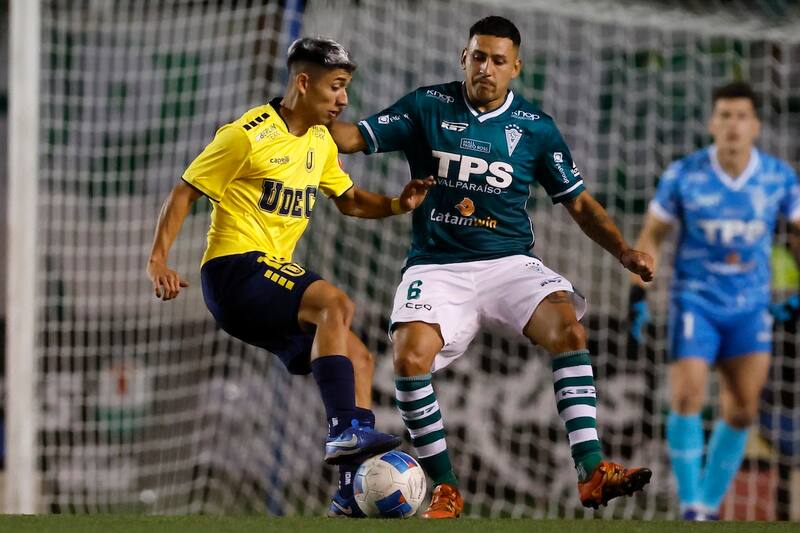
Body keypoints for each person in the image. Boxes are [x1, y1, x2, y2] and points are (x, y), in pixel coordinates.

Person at [330, 16, 654, 518]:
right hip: (438, 265)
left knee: (568, 328)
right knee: (409, 358)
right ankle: (445, 488)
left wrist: (624, 252)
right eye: (478, 57)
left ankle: (591, 470)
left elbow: (581, 204)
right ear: (464, 57)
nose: (486, 68)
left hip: (509, 263)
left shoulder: (536, 129)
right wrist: (305, 117)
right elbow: (352, 139)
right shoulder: (425, 106)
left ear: (515, 68)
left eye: (498, 60)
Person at [146, 37, 434, 517]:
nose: (343, 100)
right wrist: (158, 260)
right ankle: (344, 429)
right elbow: (183, 194)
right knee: (335, 304)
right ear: (303, 83)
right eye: (336, 88)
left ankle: (348, 492)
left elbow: (347, 200)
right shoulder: (245, 135)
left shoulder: (320, 142)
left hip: (266, 280)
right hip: (233, 270)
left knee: (359, 359)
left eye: (346, 89)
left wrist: (396, 205)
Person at [629, 81, 800, 520]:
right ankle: (693, 508)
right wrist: (637, 291)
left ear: (756, 125)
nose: (733, 124)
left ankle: (706, 502)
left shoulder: (779, 177)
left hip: (749, 308)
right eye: (724, 115)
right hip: (696, 303)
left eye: (741, 116)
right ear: (712, 123)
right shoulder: (684, 174)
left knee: (742, 409)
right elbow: (653, 234)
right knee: (686, 398)